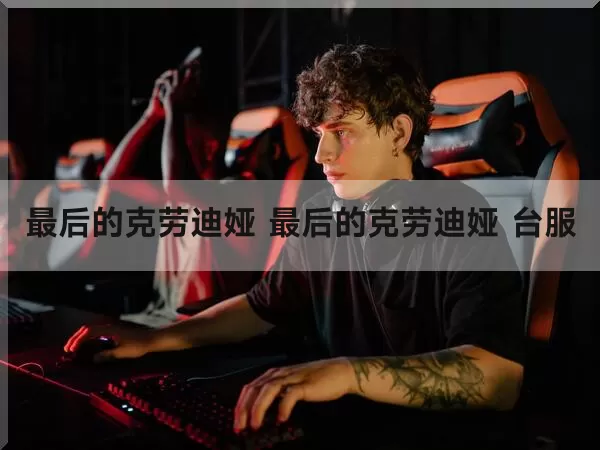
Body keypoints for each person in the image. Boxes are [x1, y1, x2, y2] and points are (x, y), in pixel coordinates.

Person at [66, 44, 525, 433]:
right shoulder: (322, 213)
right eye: (320, 134)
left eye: (342, 133)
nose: (322, 154)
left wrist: (348, 374)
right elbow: (260, 307)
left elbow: (498, 377)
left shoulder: (462, 216)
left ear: (398, 132)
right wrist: (154, 339)